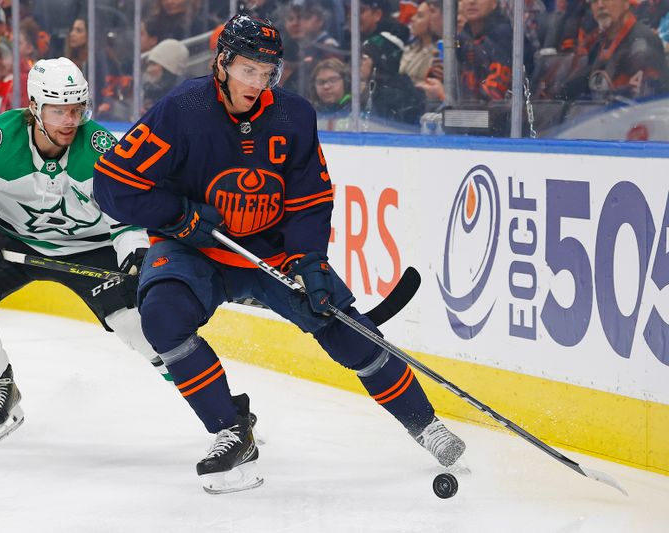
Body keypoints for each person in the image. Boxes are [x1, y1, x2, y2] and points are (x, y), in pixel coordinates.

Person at [92, 13, 466, 494]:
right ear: (222, 64)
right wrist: (178, 215)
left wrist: (308, 259)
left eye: (268, 71)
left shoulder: (294, 115)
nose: (259, 81)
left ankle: (425, 424)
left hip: (270, 249)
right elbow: (113, 185)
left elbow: (310, 198)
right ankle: (232, 430)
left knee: (346, 328)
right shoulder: (182, 108)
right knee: (161, 318)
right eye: (249, 69)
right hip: (194, 247)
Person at [0, 57, 169, 447]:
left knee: (138, 325)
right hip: (13, 242)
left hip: (92, 248)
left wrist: (135, 253)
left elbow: (127, 218)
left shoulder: (101, 149)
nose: (69, 120)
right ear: (34, 107)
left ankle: (217, 407)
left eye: (76, 109)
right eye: (58, 110)